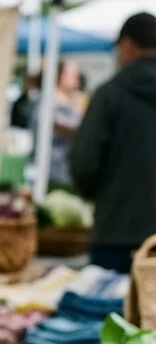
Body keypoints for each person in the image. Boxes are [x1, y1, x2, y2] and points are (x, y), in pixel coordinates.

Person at [72, 13, 156, 273]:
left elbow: (85, 163)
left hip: (115, 231)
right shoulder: (109, 94)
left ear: (127, 44)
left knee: (104, 310)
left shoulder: (109, 95)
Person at [34, 59, 84, 190]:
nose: (77, 78)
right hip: (52, 171)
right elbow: (71, 129)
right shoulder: (49, 103)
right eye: (73, 75)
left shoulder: (72, 101)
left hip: (65, 170)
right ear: (59, 76)